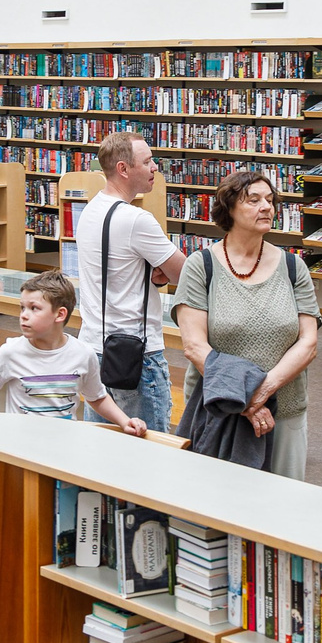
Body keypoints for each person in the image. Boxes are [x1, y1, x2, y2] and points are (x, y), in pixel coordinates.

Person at [173, 169, 319, 478]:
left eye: (270, 200)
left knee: (284, 507)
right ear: (229, 209)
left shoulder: (294, 268)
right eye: (253, 200)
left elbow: (308, 344)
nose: (266, 207)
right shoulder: (201, 266)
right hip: (217, 409)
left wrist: (258, 394)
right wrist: (246, 403)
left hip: (285, 410)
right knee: (216, 508)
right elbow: (195, 347)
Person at [0, 271, 147, 434]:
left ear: (60, 314)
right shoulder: (11, 352)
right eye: (22, 308)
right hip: (20, 453)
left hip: (64, 451)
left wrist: (124, 421)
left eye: (34, 308)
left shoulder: (83, 354)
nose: (24, 316)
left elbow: (97, 397)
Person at [76, 131, 186, 431]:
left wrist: (153, 272)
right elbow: (185, 275)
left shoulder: (89, 211)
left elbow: (119, 269)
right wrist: (162, 271)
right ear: (123, 169)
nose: (155, 169)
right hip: (137, 357)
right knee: (150, 456)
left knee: (102, 451)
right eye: (148, 162)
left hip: (93, 348)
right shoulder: (136, 220)